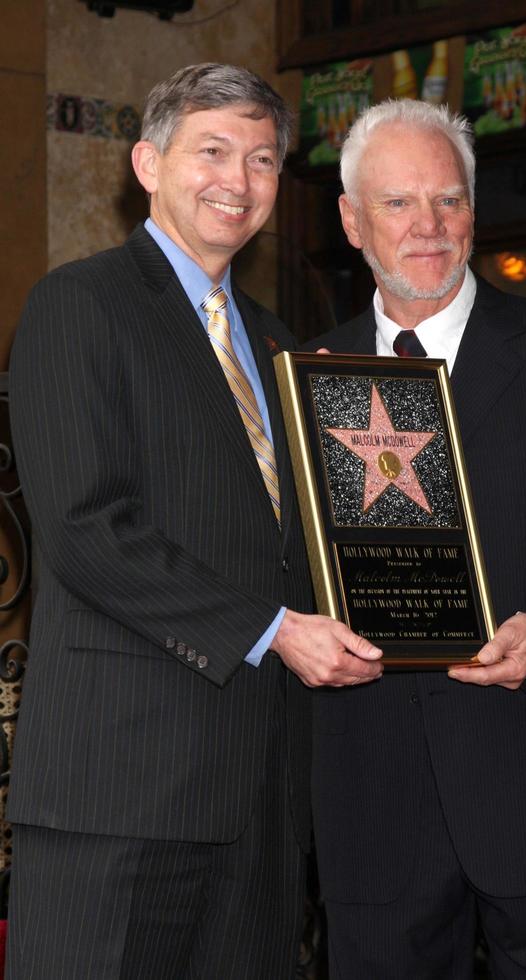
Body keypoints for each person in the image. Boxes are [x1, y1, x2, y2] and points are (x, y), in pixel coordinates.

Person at [6, 63, 382, 980]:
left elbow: (303, 541)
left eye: (262, 159)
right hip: (122, 785)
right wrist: (273, 630)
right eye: (212, 151)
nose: (239, 181)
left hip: (258, 792)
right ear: (147, 162)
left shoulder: (280, 342)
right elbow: (87, 528)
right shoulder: (78, 304)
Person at [307, 98, 526, 979]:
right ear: (352, 220)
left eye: (448, 199)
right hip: (372, 813)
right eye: (397, 203)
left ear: (472, 210)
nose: (428, 226)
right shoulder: (308, 377)